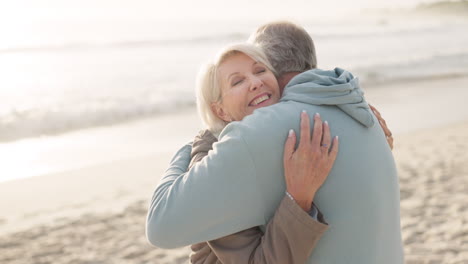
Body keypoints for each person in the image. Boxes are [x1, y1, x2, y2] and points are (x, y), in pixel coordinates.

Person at [147, 21, 403, 264]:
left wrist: (298, 200)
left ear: (273, 69)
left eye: (259, 69)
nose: (255, 82)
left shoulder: (258, 138)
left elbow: (160, 227)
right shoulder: (359, 114)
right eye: (238, 80)